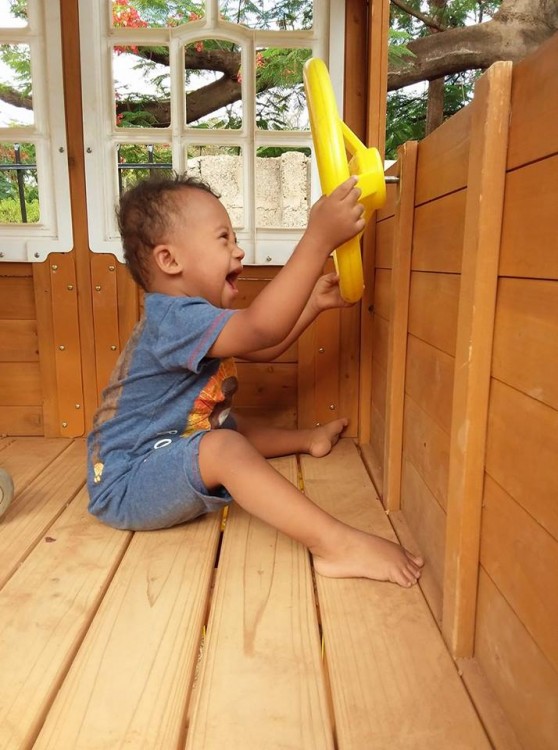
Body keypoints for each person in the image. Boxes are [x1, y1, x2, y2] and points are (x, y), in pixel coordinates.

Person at [87, 173, 423, 587]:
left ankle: (306, 439)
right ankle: (335, 545)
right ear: (170, 261)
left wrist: (312, 305)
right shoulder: (173, 318)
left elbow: (261, 346)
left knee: (224, 425)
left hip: (162, 452)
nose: (239, 250)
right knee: (223, 445)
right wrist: (317, 240)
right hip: (127, 484)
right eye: (223, 239)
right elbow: (260, 330)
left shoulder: (190, 317)